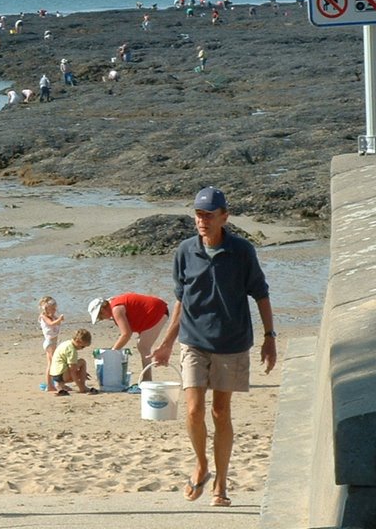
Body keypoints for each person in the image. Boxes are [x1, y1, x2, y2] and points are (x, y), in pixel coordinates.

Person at [150, 186, 277, 509]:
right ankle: (201, 464)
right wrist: (165, 342)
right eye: (198, 214)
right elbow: (181, 301)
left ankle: (221, 482)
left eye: (209, 214)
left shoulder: (242, 251)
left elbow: (261, 294)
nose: (202, 220)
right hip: (193, 341)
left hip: (232, 343)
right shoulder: (184, 251)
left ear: (224, 217)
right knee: (192, 409)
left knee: (221, 412)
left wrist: (270, 338)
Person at [87, 293, 169, 383]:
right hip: (155, 311)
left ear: (103, 309)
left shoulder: (116, 309)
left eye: (100, 317)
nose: (102, 319)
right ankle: (146, 379)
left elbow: (126, 334)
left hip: (157, 311)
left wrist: (112, 352)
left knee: (143, 346)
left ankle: (147, 379)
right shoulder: (115, 305)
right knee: (143, 345)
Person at [49, 328, 98, 396]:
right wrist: (80, 386)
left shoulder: (66, 343)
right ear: (78, 341)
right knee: (82, 362)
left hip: (54, 375)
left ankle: (60, 385)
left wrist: (82, 373)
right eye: (82, 346)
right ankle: (83, 387)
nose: (82, 349)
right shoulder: (72, 350)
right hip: (62, 375)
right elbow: (72, 370)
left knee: (74, 366)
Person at [39, 296, 64, 391]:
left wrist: (58, 319)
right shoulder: (44, 317)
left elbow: (56, 323)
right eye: (52, 309)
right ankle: (50, 385)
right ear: (46, 308)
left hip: (54, 341)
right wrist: (59, 320)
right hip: (49, 342)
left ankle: (56, 383)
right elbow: (51, 324)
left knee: (54, 362)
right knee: (52, 363)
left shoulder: (53, 317)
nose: (54, 310)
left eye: (55, 308)